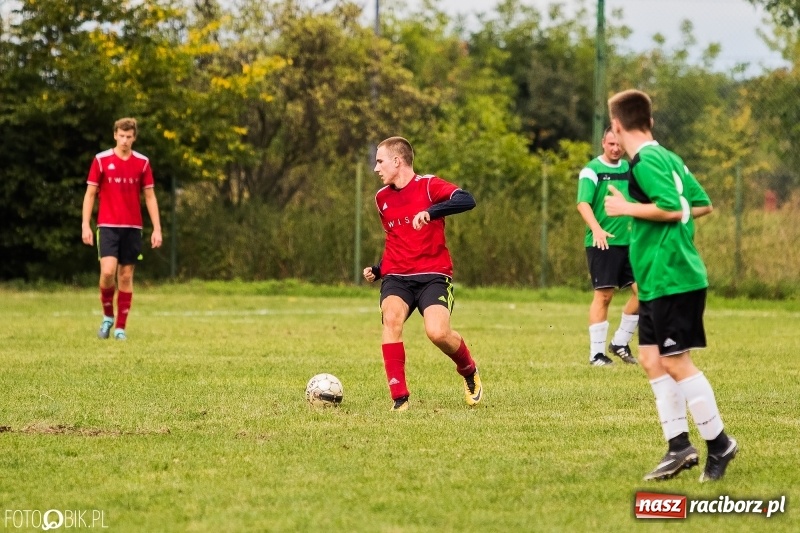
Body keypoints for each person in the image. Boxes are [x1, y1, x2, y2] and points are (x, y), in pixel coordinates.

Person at [604, 89, 735, 482]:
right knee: (650, 358)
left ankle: (720, 443)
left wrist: (628, 208)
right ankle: (679, 446)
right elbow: (700, 204)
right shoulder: (670, 157)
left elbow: (673, 206)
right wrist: (671, 217)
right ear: (650, 122)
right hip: (658, 277)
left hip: (672, 276)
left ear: (616, 126)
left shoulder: (644, 161)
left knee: (676, 361)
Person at [362, 136, 481, 411]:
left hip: (433, 275)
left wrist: (432, 211)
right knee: (391, 320)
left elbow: (467, 199)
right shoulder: (381, 199)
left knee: (437, 333)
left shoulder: (428, 186)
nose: (376, 168)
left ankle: (468, 369)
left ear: (397, 161)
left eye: (379, 161)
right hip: (398, 278)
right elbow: (396, 239)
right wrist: (380, 269)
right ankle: (399, 398)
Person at [81, 118, 162, 341]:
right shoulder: (101, 160)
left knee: (125, 276)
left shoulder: (142, 163)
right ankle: (108, 316)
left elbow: (149, 197)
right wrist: (85, 225)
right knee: (108, 272)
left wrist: (157, 229)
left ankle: (120, 329)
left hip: (132, 227)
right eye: (121, 136)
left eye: (129, 136)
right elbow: (89, 194)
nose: (125, 140)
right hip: (107, 226)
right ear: (115, 135)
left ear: (134, 137)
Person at [576, 127, 639, 366]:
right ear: (603, 143)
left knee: (644, 291)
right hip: (602, 241)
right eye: (610, 144)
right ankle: (596, 355)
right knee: (604, 295)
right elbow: (583, 203)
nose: (615, 148)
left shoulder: (630, 169)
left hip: (631, 242)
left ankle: (620, 342)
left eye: (618, 144)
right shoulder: (592, 170)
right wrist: (597, 229)